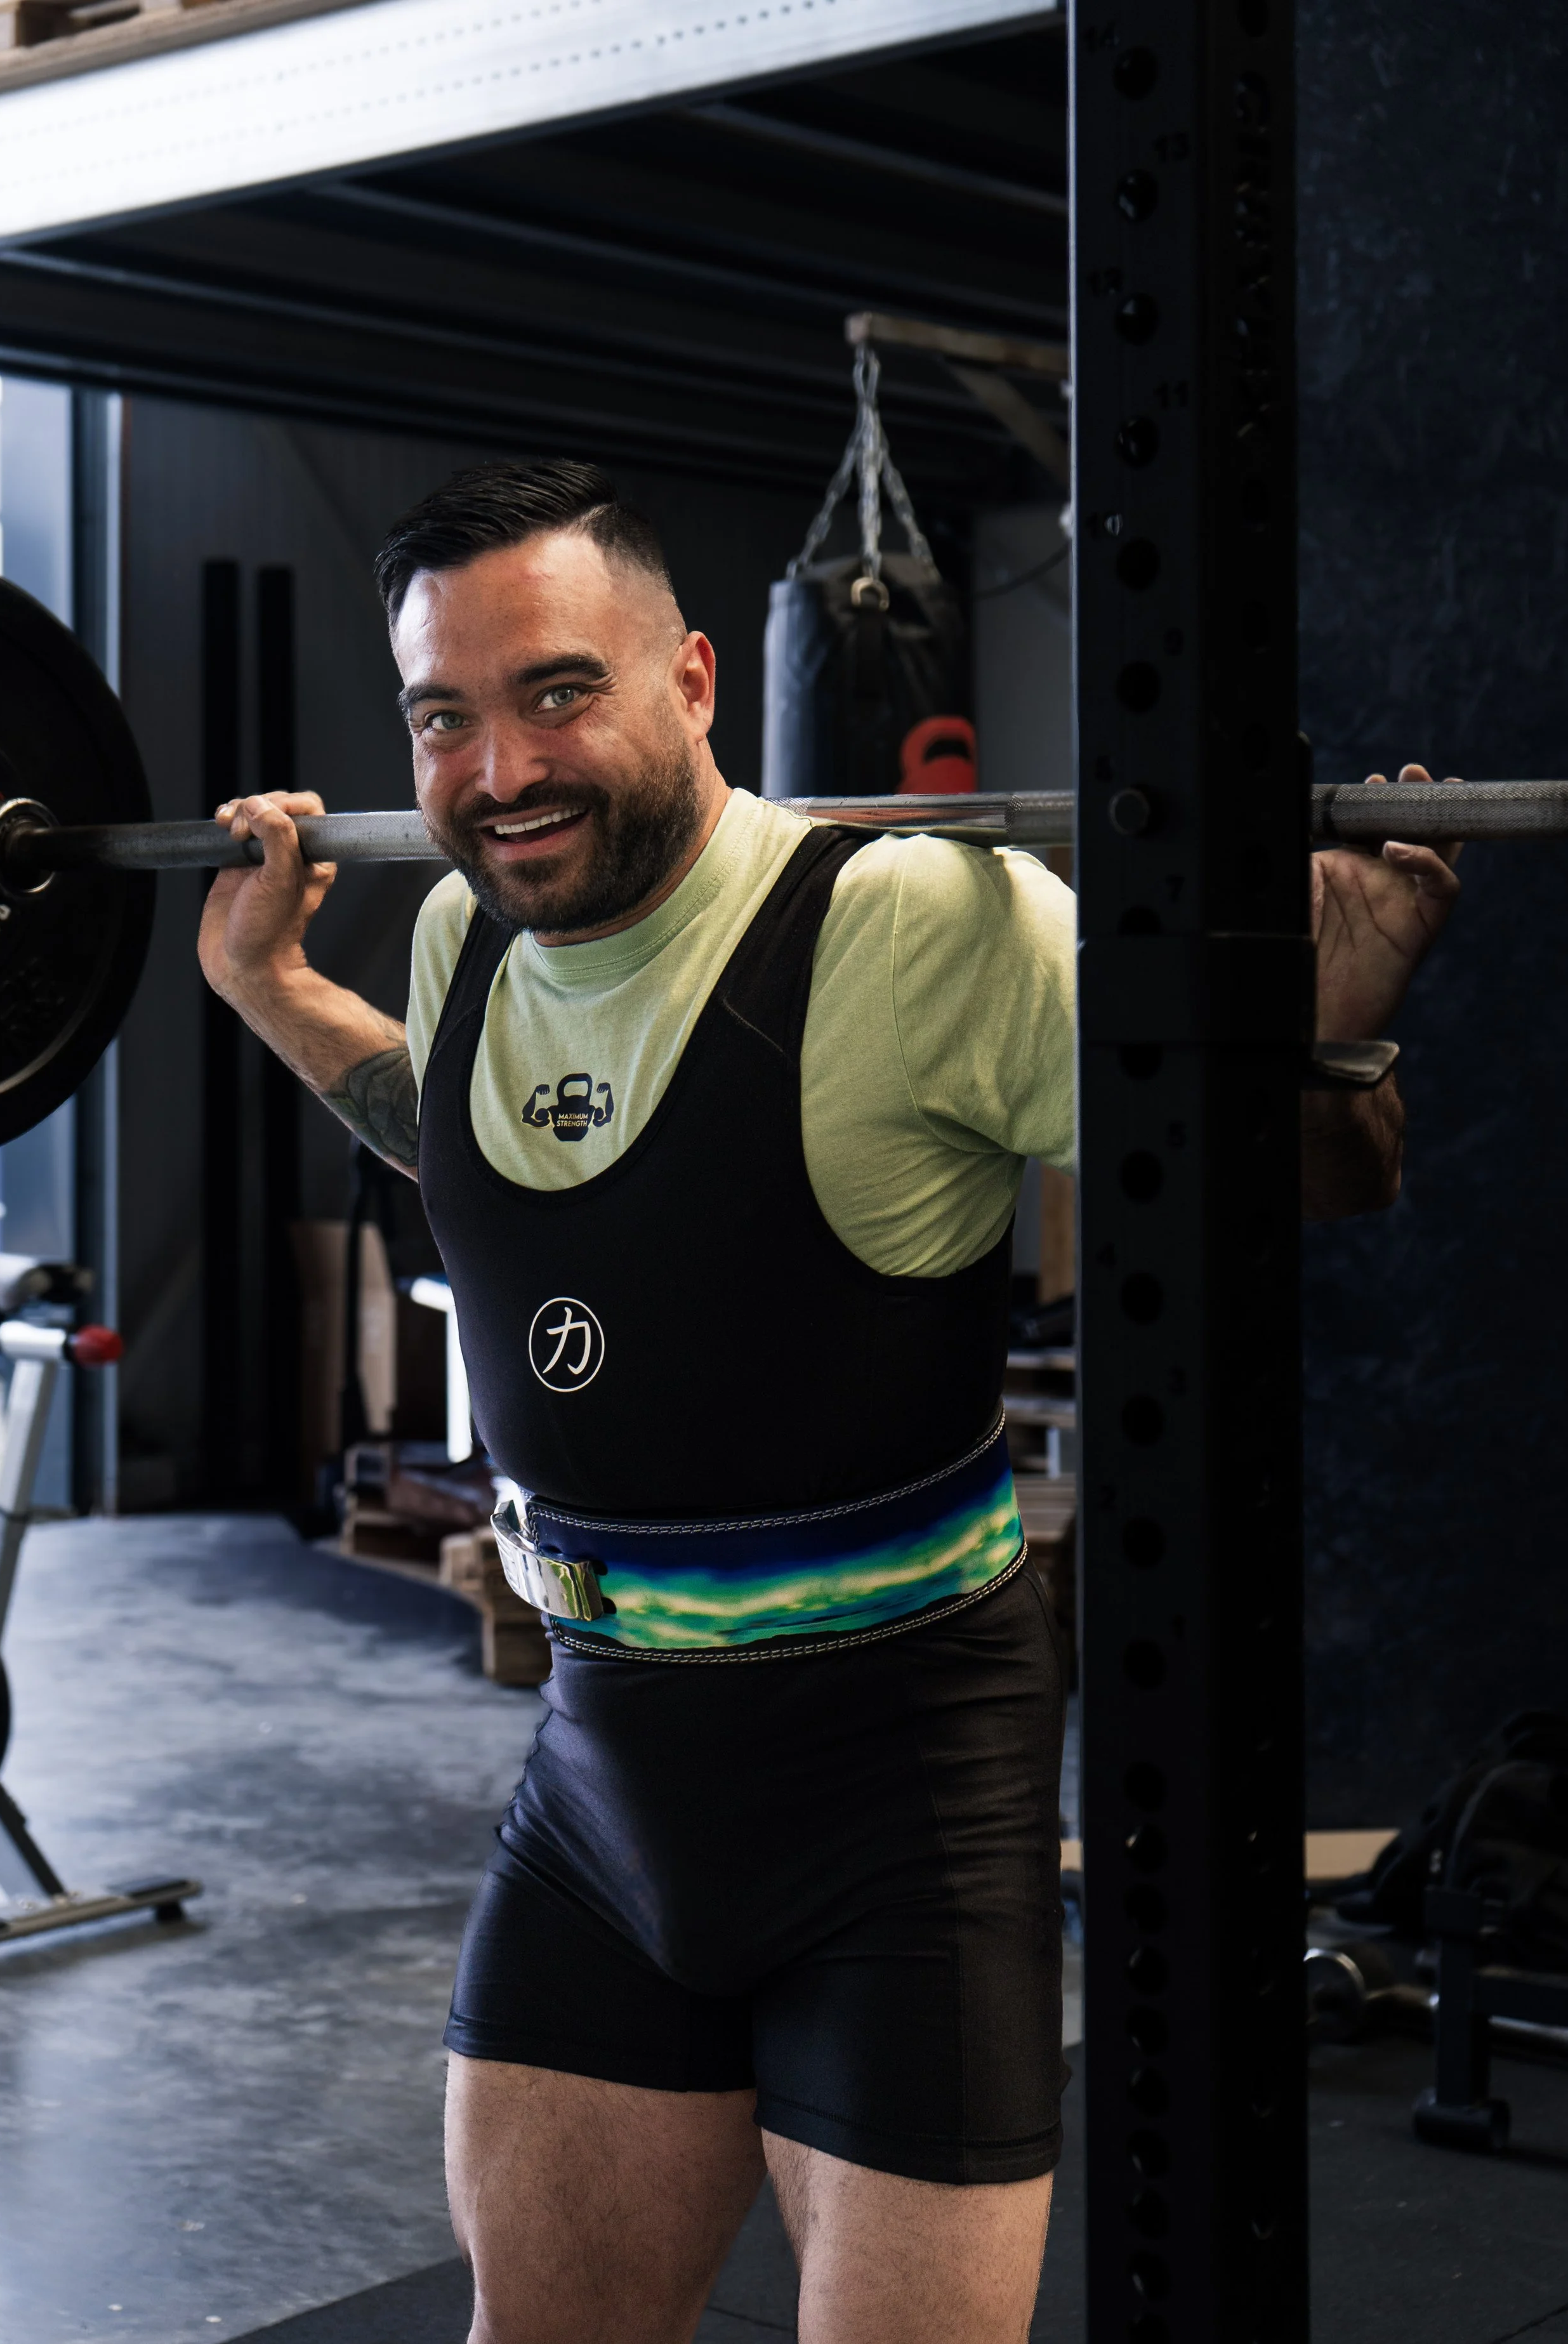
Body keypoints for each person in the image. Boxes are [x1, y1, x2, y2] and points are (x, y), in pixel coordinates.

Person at [198, 462, 1461, 2344]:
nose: (498, 771)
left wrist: (1328, 1033)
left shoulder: (917, 923)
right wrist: (273, 984)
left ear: (697, 679)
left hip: (897, 1816)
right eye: (441, 717)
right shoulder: (467, 936)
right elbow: (464, 1132)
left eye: (558, 691)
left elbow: (1307, 1179)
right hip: (603, 1788)